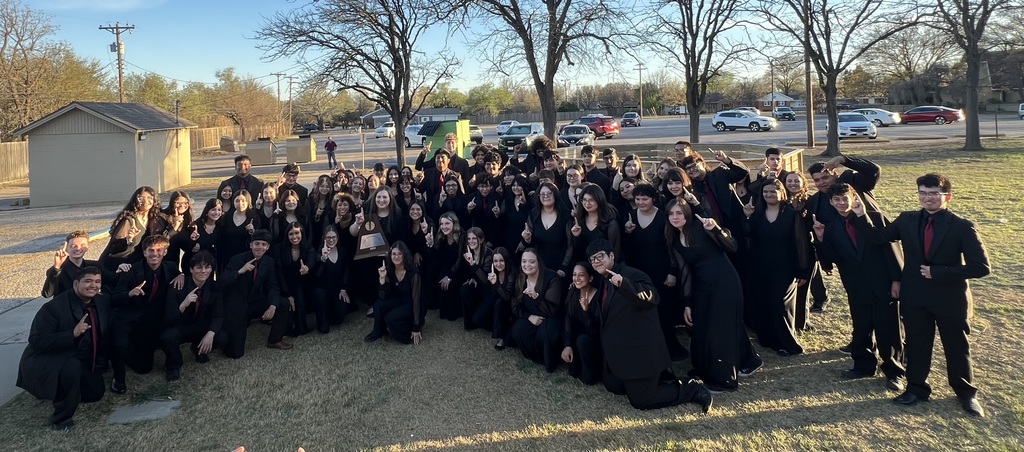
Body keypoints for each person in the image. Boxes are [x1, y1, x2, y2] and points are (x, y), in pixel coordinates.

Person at [854, 173, 990, 417]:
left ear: (947, 196)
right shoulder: (907, 220)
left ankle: (966, 393)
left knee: (957, 347)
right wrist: (859, 215)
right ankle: (916, 388)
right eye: (923, 193)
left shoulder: (962, 226)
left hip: (950, 298)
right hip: (915, 297)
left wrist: (938, 272)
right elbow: (877, 238)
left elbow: (981, 267)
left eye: (934, 194)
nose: (927, 198)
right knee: (917, 345)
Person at [585, 239, 712, 412]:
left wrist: (624, 284)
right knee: (613, 386)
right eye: (592, 259)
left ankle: (691, 387)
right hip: (619, 355)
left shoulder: (632, 275)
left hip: (640, 351)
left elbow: (652, 297)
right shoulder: (603, 282)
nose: (596, 261)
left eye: (600, 256)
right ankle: (656, 378)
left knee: (641, 401)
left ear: (612, 255)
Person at [812, 183, 906, 392]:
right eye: (836, 200)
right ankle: (863, 366)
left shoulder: (873, 217)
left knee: (888, 329)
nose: (841, 203)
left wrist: (897, 280)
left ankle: (894, 372)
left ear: (854, 197)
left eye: (845, 198)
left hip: (884, 284)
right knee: (861, 326)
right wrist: (820, 238)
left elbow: (891, 250)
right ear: (830, 202)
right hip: (856, 286)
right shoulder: (832, 226)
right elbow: (829, 262)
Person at [666, 199, 762, 393]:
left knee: (720, 328)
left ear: (687, 213)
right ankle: (737, 362)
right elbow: (685, 272)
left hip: (724, 282)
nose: (675, 217)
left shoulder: (702, 228)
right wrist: (687, 303)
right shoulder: (675, 239)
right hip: (703, 285)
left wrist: (716, 229)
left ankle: (723, 379)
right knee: (702, 326)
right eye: (671, 214)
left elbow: (732, 246)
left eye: (679, 213)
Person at [18, 266, 110, 430]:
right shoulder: (53, 308)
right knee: (71, 367)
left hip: (78, 356)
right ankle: (61, 418)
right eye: (87, 281)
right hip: (50, 358)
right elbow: (37, 341)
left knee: (95, 393)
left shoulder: (100, 301)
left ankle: (66, 390)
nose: (93, 286)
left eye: (97, 282)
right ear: (75, 284)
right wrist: (72, 334)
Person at [742, 179, 812, 356]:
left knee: (778, 303)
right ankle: (767, 338)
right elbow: (748, 237)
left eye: (773, 191)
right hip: (759, 266)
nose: (769, 195)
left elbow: (800, 243)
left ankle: (786, 342)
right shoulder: (757, 213)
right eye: (765, 192)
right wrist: (748, 217)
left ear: (782, 193)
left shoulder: (791, 214)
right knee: (762, 301)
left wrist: (802, 270)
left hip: (784, 267)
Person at [109, 235, 184, 394]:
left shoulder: (170, 267)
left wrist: (182, 275)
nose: (154, 254)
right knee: (142, 368)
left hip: (156, 319)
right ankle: (119, 375)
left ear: (165, 252)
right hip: (133, 319)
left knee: (170, 335)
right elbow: (114, 299)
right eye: (150, 250)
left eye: (159, 250)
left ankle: (173, 367)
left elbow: (180, 274)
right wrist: (130, 293)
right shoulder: (130, 271)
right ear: (144, 252)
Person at [221, 229, 293, 358]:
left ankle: (274, 340)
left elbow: (273, 287)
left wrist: (272, 306)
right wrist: (240, 271)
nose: (260, 247)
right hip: (237, 305)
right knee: (235, 353)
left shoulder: (269, 262)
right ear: (251, 245)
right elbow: (222, 281)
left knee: (282, 303)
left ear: (268, 247)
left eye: (263, 244)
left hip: (254, 301)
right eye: (257, 243)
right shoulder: (237, 259)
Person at [160, 252, 224, 382]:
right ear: (191, 269)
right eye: (199, 267)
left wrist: (210, 334)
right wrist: (183, 304)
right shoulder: (177, 286)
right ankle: (173, 365)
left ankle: (198, 348)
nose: (204, 271)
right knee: (167, 337)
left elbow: (219, 315)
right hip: (181, 326)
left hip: (201, 325)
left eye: (207, 267)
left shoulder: (214, 286)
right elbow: (168, 319)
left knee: (222, 336)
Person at [509, 248, 563, 372]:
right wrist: (529, 317)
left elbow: (552, 310)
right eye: (524, 261)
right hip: (533, 315)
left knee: (545, 334)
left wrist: (536, 297)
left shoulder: (552, 278)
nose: (527, 265)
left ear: (538, 262)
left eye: (531, 262)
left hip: (551, 316)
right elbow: (515, 306)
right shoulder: (520, 279)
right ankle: (536, 357)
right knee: (518, 329)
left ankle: (550, 361)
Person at [366, 241, 424, 345]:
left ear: (404, 255)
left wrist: (416, 326)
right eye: (393, 254)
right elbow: (382, 297)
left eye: (399, 254)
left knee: (390, 317)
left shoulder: (413, 274)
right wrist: (382, 279)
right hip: (397, 300)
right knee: (378, 305)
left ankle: (408, 333)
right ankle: (378, 332)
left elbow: (417, 301)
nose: (396, 256)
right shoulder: (389, 270)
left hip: (410, 303)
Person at [98, 186, 162, 272]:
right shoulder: (129, 220)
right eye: (141, 198)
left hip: (134, 265)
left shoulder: (152, 219)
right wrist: (128, 240)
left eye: (150, 198)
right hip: (118, 266)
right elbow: (114, 247)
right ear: (135, 200)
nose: (145, 201)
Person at [562, 263, 603, 385]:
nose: (577, 278)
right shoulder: (573, 293)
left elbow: (595, 330)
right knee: (573, 372)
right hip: (578, 340)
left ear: (590, 278)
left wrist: (586, 311)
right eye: (574, 275)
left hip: (594, 342)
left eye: (581, 275)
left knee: (583, 340)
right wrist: (567, 345)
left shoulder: (598, 297)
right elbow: (568, 320)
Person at [42, 231, 113, 298]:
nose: (78, 248)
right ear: (67, 248)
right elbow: (47, 294)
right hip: (67, 308)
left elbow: (113, 279)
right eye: (73, 246)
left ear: (87, 247)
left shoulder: (95, 266)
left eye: (82, 245)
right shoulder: (56, 270)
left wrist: (121, 268)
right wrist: (57, 266)